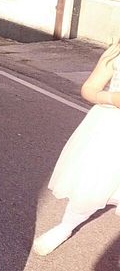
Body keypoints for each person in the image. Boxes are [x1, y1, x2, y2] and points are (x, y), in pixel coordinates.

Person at [32, 39, 120, 256]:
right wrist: (111, 98)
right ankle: (66, 225)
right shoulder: (116, 51)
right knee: (94, 178)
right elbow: (89, 89)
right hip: (111, 125)